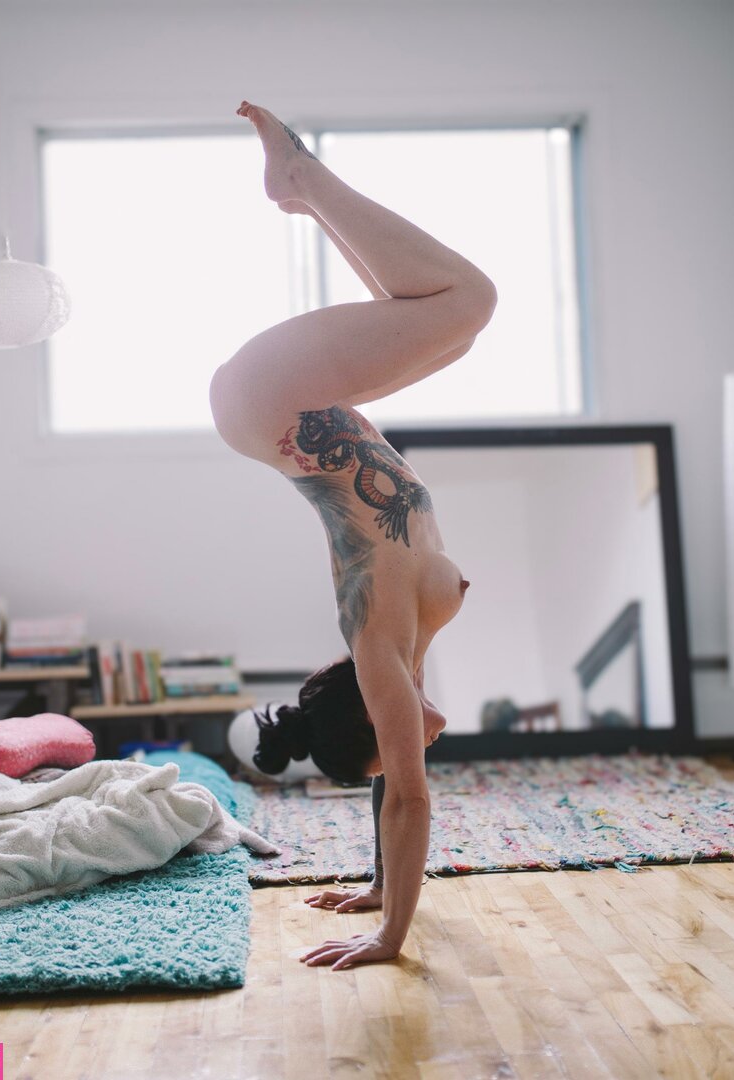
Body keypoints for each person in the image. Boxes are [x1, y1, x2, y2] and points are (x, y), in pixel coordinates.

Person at [210, 101, 497, 970]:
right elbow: (391, 790)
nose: (413, 746)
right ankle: (303, 196)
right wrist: (377, 883)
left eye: (386, 748)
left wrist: (389, 936)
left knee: (467, 300)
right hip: (283, 407)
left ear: (373, 718)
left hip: (272, 401)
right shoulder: (399, 657)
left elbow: (408, 799)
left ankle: (302, 179)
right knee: (448, 331)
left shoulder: (380, 653)